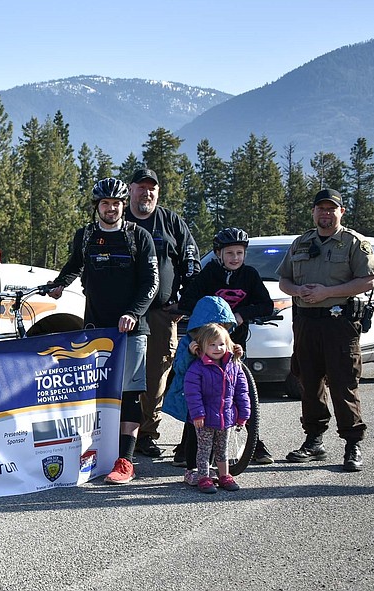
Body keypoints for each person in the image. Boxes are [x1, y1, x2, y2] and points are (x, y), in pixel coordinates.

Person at [49, 178, 158, 484]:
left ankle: (125, 460)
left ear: (124, 206)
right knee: (95, 394)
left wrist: (133, 314)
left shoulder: (138, 237)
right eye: (105, 204)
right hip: (96, 327)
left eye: (117, 204)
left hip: (131, 329)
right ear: (96, 206)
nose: (111, 209)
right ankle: (95, 453)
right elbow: (74, 264)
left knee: (129, 394)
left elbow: (151, 282)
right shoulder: (85, 236)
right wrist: (60, 284)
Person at [278, 188, 374, 472]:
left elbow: (368, 280)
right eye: (320, 208)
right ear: (313, 212)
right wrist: (297, 289)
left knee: (343, 382)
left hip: (339, 323)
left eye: (331, 208)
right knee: (308, 382)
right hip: (306, 322)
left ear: (340, 212)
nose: (325, 213)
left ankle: (352, 444)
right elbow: (284, 279)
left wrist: (327, 292)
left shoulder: (353, 243)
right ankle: (314, 441)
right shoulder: (301, 243)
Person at [175, 228, 275, 469]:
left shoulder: (249, 275)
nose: (235, 258)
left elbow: (266, 305)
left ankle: (254, 443)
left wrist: (241, 314)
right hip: (208, 348)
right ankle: (186, 447)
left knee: (240, 393)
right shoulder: (209, 274)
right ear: (219, 254)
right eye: (229, 253)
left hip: (235, 345)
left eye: (240, 253)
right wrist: (208, 316)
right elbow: (188, 301)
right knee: (201, 393)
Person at [125, 168, 200, 459]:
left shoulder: (171, 222)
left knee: (155, 377)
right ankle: (114, 435)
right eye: (141, 187)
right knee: (120, 374)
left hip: (160, 313)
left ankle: (145, 434)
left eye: (151, 188)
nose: (146, 193)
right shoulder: (119, 220)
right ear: (130, 190)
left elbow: (191, 262)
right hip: (124, 314)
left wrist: (185, 303)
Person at [183, 323, 250, 494]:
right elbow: (192, 393)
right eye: (211, 344)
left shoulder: (234, 367)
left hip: (226, 418)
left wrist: (243, 414)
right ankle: (204, 477)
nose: (217, 348)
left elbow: (242, 392)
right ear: (202, 346)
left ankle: (224, 475)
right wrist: (197, 414)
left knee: (222, 449)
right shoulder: (197, 368)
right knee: (204, 449)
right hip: (204, 419)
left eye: (221, 344)